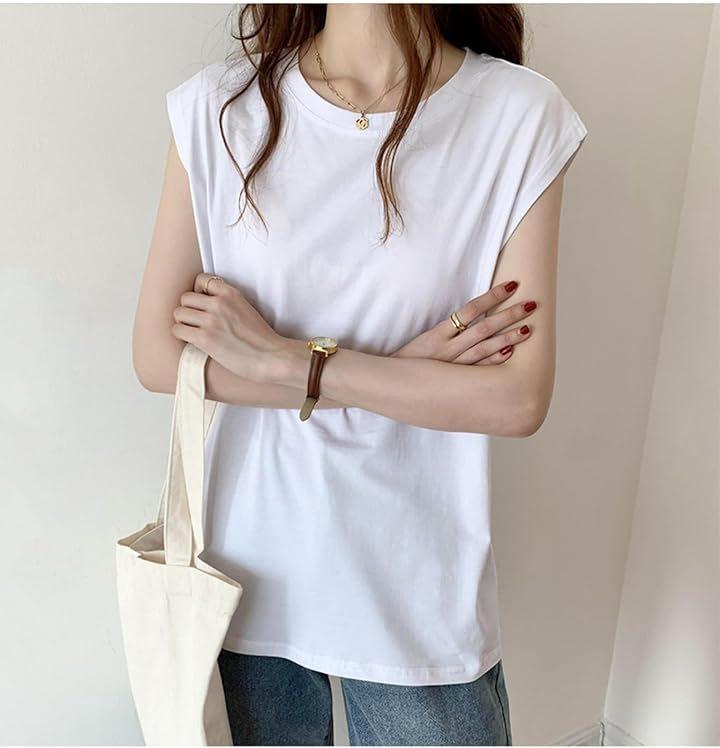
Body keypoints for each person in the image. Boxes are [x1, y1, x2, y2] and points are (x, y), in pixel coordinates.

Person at [132, 4, 588, 745]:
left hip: (417, 581)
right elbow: (159, 356)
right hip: (242, 571)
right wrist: (395, 372)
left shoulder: (518, 116)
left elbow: (516, 400)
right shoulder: (218, 109)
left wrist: (290, 360)